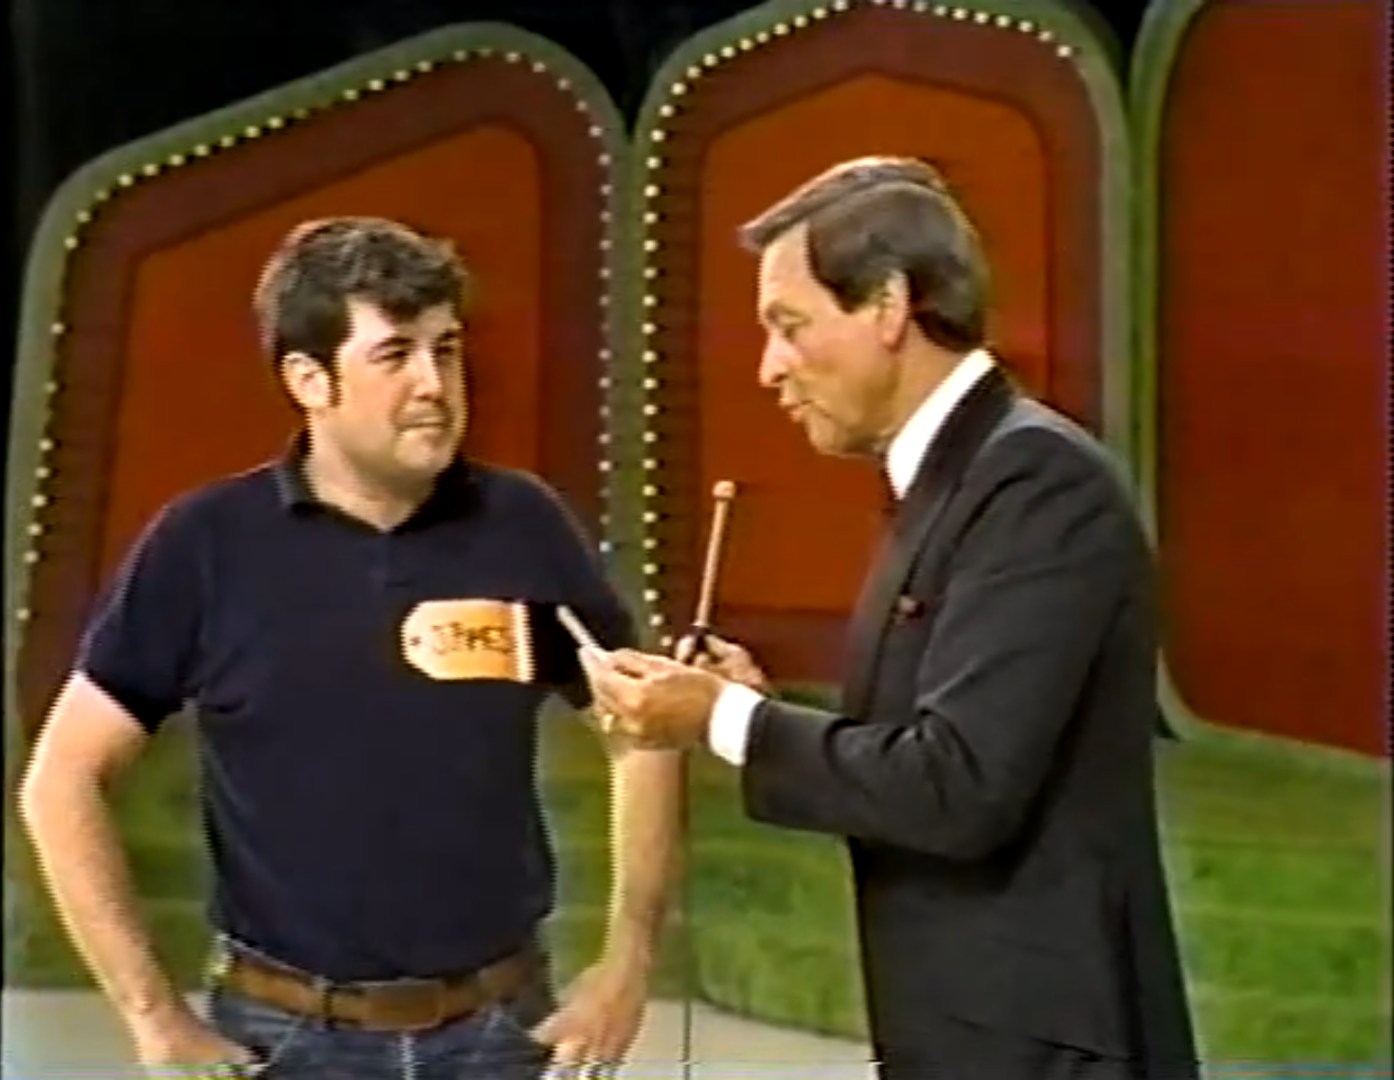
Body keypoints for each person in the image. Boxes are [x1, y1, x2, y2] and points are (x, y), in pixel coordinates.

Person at [577, 158, 1199, 1079]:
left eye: (789, 326)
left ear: (887, 305)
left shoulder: (1034, 484)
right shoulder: (955, 482)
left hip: (1041, 1053)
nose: (768, 368)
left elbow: (957, 787)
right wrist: (749, 704)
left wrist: (715, 718)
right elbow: (918, 751)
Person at [18, 216, 681, 1079]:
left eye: (446, 350)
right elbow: (60, 778)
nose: (435, 383)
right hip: (284, 1039)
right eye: (395, 354)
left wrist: (627, 964)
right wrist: (151, 1013)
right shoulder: (204, 547)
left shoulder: (524, 528)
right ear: (309, 379)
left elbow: (645, 730)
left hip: (502, 1032)